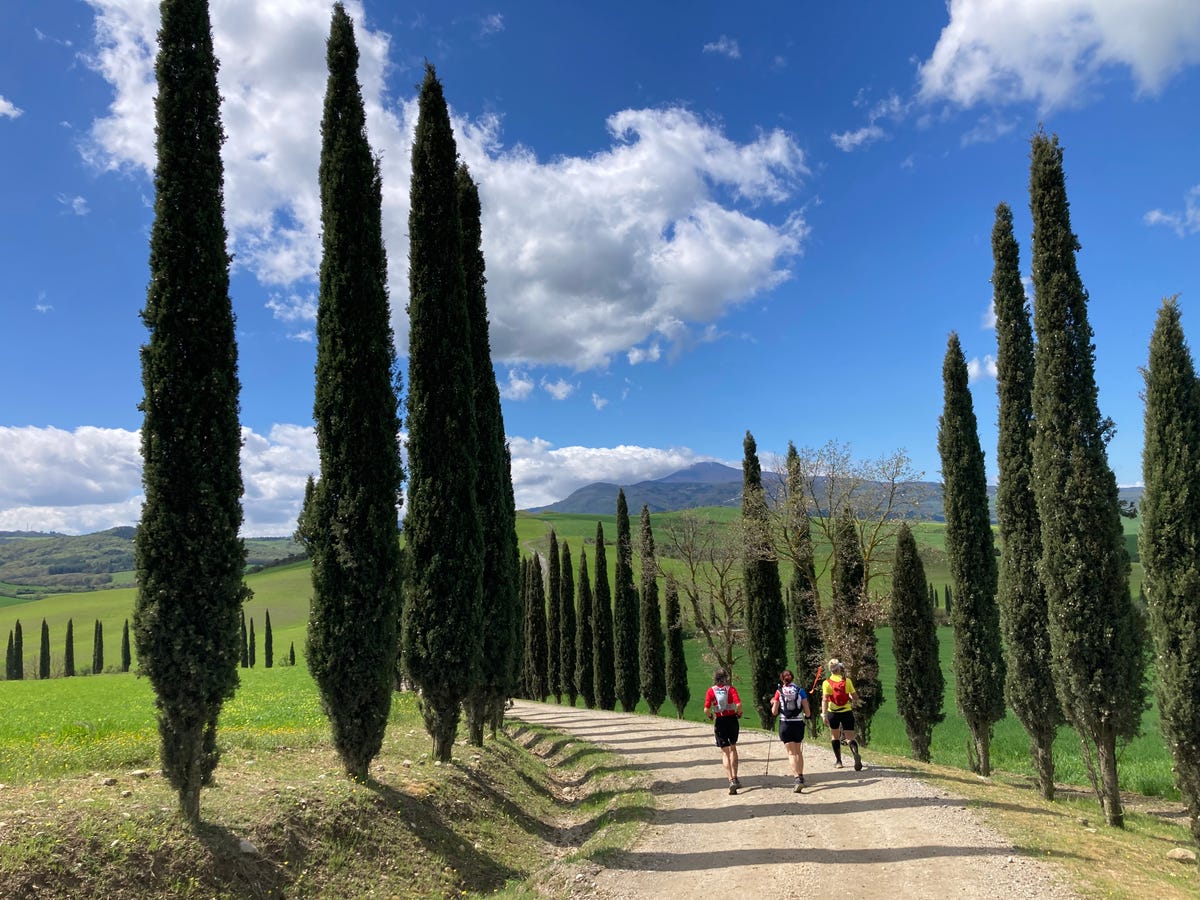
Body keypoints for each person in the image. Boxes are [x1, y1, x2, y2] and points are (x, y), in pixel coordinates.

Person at [770, 668, 812, 792]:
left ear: (782, 679)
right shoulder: (800, 691)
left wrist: (773, 703)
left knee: (791, 753)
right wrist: (807, 716)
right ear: (792, 678)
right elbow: (807, 711)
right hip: (798, 724)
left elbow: (774, 712)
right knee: (798, 752)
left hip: (785, 724)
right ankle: (801, 776)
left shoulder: (779, 691)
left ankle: (796, 778)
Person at [704, 667, 743, 794]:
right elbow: (738, 704)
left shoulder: (711, 691)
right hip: (732, 720)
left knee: (724, 752)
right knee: (733, 748)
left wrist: (710, 716)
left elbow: (706, 709)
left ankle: (730, 779)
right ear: (726, 678)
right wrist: (739, 713)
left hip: (720, 721)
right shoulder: (731, 689)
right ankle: (736, 777)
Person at [821, 658, 862, 771]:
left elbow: (825, 699)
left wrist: (823, 715)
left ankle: (839, 762)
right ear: (839, 668)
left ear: (830, 670)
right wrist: (850, 697)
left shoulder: (826, 683)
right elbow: (855, 697)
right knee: (849, 738)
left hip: (833, 713)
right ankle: (855, 754)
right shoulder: (847, 681)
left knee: (835, 737)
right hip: (847, 712)